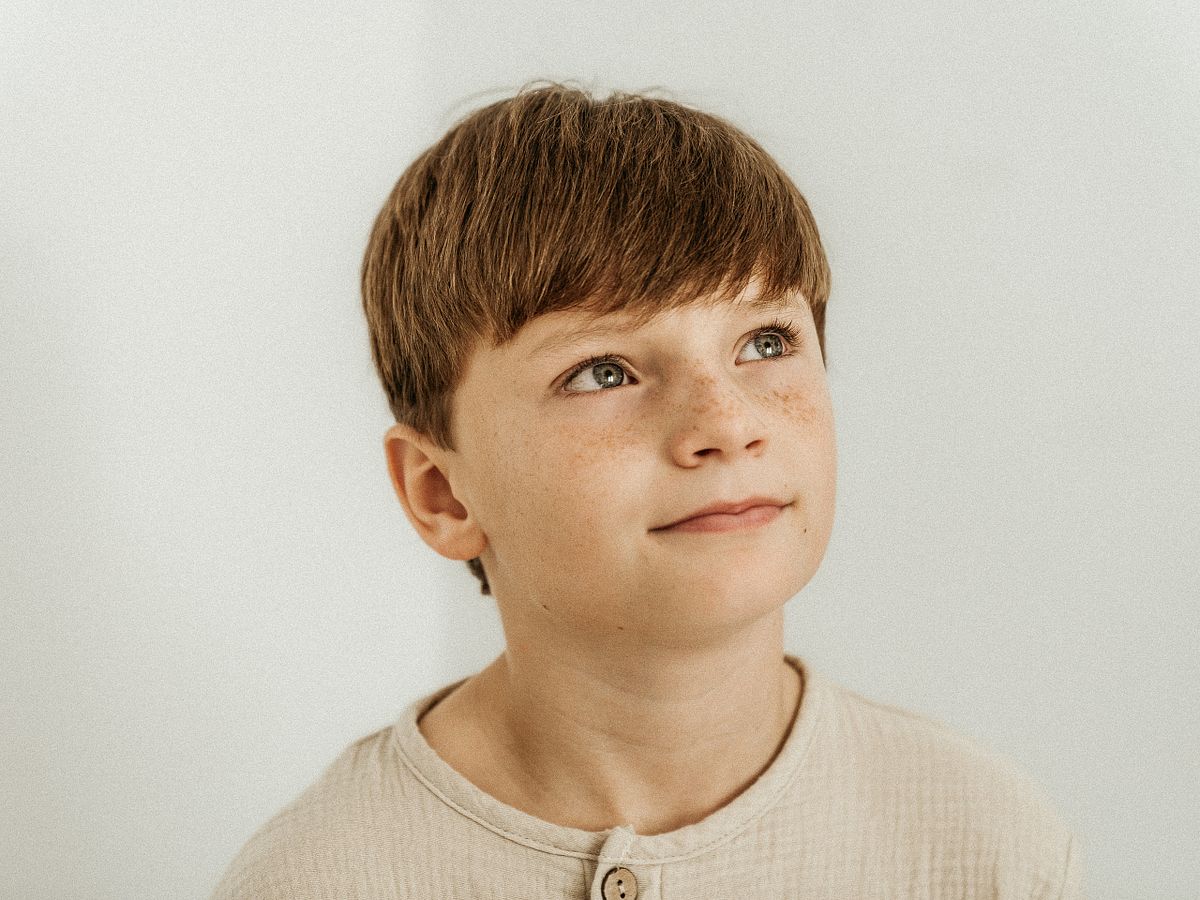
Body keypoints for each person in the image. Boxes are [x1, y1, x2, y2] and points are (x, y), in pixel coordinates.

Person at [210, 80, 1083, 899]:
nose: (727, 423)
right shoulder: (321, 879)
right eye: (604, 371)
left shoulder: (982, 845)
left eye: (767, 343)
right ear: (443, 493)